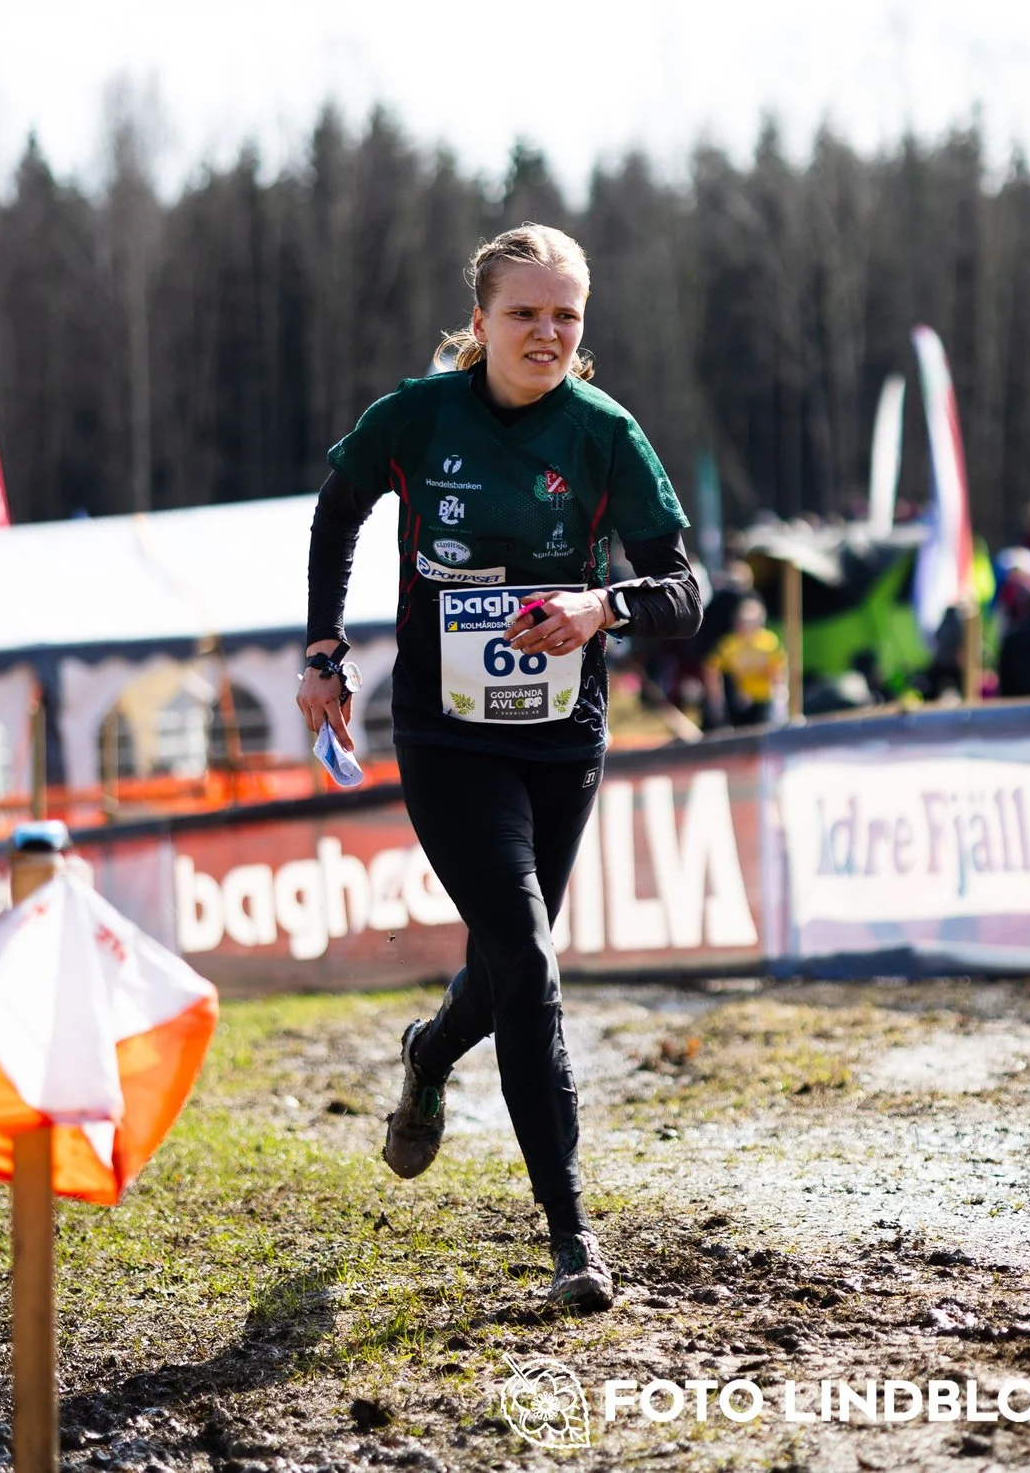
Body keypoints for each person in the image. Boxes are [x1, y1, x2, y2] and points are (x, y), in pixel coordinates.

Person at [296, 224, 699, 1314]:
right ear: (480, 323)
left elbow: (682, 592)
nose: (546, 332)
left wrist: (600, 605)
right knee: (527, 955)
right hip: (448, 736)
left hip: (563, 738)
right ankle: (572, 1235)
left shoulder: (605, 432)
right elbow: (338, 509)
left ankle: (430, 1050)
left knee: (509, 962)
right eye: (524, 313)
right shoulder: (417, 416)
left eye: (566, 314)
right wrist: (324, 648)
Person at [705, 595, 788, 727]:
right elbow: (712, 669)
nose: (743, 626)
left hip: (765, 698)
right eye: (741, 621)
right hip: (741, 698)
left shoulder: (769, 643)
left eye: (748, 622)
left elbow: (778, 671)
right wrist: (717, 700)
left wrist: (779, 698)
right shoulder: (729, 645)